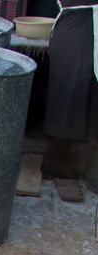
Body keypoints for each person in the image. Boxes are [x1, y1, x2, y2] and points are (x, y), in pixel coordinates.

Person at [42, 0, 98, 178]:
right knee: (68, 97)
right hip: (78, 27)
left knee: (80, 97)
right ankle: (57, 164)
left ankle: (82, 165)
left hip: (81, 26)